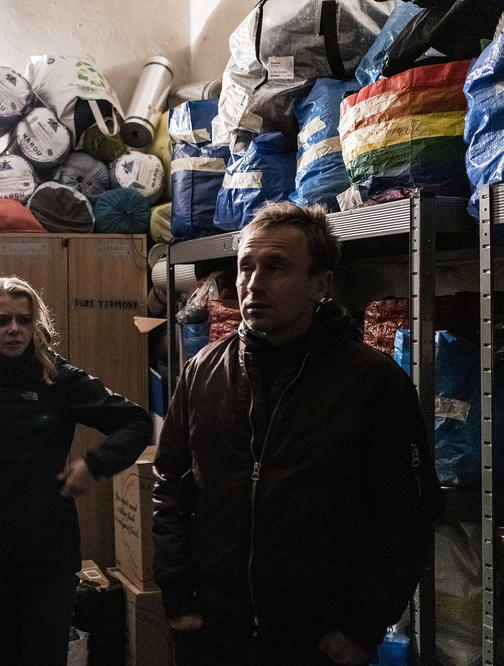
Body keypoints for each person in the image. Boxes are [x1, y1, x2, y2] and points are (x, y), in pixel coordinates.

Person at [151, 201, 443, 665]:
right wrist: (179, 598)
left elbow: (406, 512)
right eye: (246, 266)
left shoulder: (371, 382)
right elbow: (169, 482)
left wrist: (362, 627)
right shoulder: (202, 371)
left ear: (319, 284)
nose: (253, 283)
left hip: (316, 640)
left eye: (276, 267)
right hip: (213, 631)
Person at [0, 275, 151, 666]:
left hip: (48, 554)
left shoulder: (59, 380)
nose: (14, 330)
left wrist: (94, 465)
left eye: (24, 320)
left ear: (35, 324)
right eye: (2, 320)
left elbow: (136, 423)